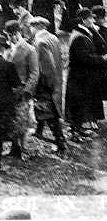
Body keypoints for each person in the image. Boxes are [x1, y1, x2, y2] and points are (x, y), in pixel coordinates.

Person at [64, 8, 107, 141]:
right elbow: (85, 58)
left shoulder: (84, 32)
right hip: (79, 77)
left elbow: (99, 43)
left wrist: (94, 30)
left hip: (82, 76)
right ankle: (75, 133)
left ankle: (78, 129)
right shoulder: (79, 37)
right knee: (77, 104)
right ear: (82, 21)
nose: (92, 20)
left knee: (81, 103)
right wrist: (102, 59)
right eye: (89, 18)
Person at [30, 17, 66, 155]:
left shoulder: (40, 42)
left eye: (31, 27)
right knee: (47, 110)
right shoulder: (53, 38)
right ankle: (39, 130)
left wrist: (44, 85)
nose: (30, 29)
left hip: (46, 83)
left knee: (49, 113)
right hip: (56, 79)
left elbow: (46, 67)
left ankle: (60, 143)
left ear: (37, 26)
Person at [3, 20, 38, 159]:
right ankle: (14, 148)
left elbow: (35, 73)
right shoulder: (8, 49)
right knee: (12, 119)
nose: (9, 39)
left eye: (10, 35)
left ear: (17, 33)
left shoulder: (30, 49)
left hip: (22, 90)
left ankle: (22, 149)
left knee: (23, 120)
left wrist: (27, 91)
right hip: (9, 91)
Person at [0, 42, 21, 170]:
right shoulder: (8, 65)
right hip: (6, 103)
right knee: (9, 126)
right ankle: (16, 150)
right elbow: (17, 86)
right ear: (2, 49)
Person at [92, 6, 107, 107]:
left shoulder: (106, 31)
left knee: (101, 93)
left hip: (104, 67)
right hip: (93, 66)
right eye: (101, 18)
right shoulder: (89, 31)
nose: (103, 20)